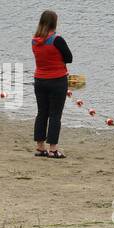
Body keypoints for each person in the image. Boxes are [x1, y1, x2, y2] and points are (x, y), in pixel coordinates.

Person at [31, 10, 72, 159]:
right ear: (54, 23)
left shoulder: (34, 40)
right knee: (55, 115)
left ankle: (40, 147)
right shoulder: (57, 40)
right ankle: (53, 149)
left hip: (39, 80)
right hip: (57, 80)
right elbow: (69, 57)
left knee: (42, 113)